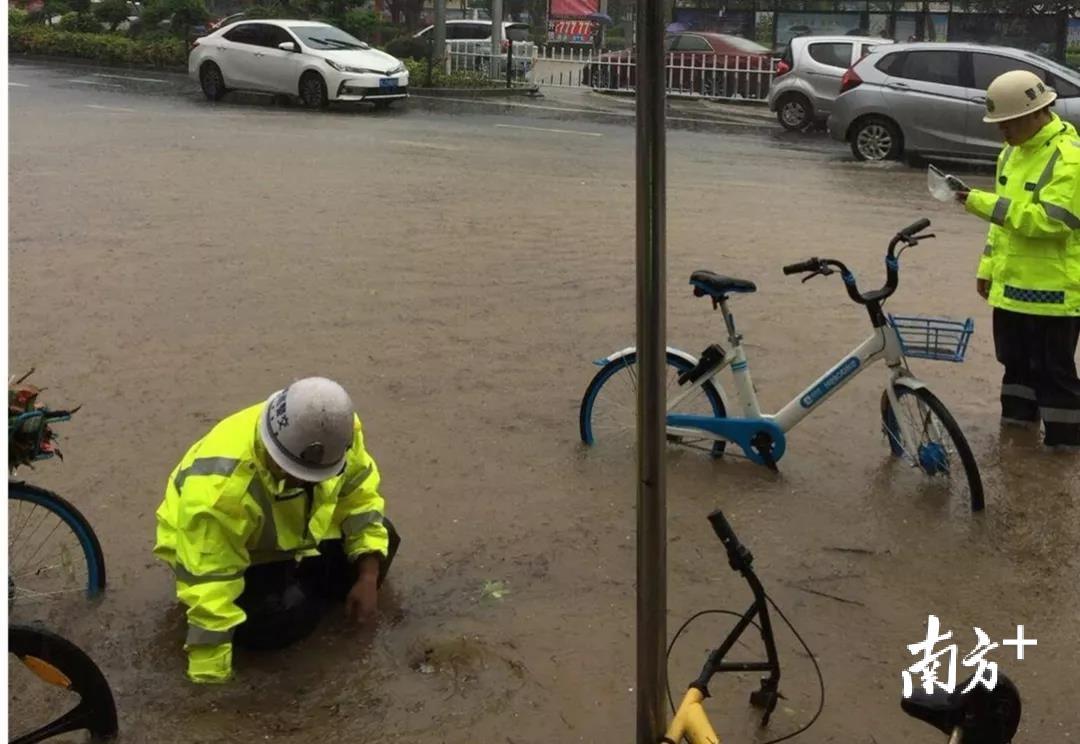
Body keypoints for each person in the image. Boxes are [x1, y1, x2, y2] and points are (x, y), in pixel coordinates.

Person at [154, 377, 401, 683]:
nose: (308, 481)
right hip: (229, 551)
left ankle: (307, 584)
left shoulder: (338, 430)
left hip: (293, 531)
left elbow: (360, 498)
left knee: (384, 539)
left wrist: (367, 577)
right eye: (300, 475)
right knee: (282, 622)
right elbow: (210, 585)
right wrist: (209, 681)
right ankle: (295, 592)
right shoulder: (219, 493)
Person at [957, 69, 1080, 452]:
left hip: (1054, 295)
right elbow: (1002, 225)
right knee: (1014, 367)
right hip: (1011, 290)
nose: (1002, 132)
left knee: (1054, 375)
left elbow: (1050, 223)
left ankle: (1065, 450)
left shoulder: (1070, 159)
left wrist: (976, 201)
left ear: (1036, 114)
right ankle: (1016, 443)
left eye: (1007, 124)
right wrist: (987, 268)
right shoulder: (1010, 153)